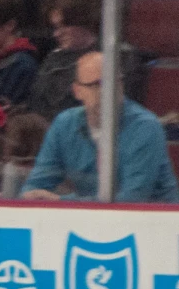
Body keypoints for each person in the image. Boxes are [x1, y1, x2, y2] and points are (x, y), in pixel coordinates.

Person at [24, 50, 179, 201]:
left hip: (152, 222)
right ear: (77, 91)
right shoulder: (64, 124)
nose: (107, 91)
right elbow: (36, 183)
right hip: (92, 221)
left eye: (114, 82)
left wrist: (62, 201)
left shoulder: (145, 127)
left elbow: (132, 199)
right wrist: (32, 196)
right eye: (96, 85)